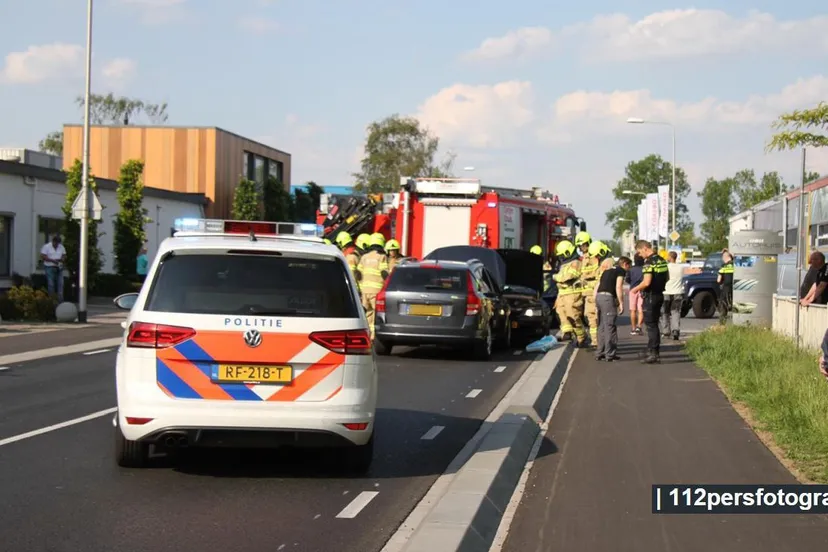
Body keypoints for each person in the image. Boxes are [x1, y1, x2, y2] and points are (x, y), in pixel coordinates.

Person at [629, 240, 669, 364]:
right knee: (654, 324)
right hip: (659, 295)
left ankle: (653, 354)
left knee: (651, 326)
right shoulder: (662, 260)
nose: (640, 255)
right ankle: (651, 349)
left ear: (645, 248)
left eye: (640, 252)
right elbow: (667, 278)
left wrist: (635, 289)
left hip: (650, 296)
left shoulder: (649, 263)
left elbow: (646, 282)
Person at [595, 255, 632, 362]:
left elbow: (597, 286)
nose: (628, 270)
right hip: (607, 299)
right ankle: (610, 354)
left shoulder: (607, 271)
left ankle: (600, 352)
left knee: (601, 326)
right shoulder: (620, 271)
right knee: (610, 326)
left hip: (599, 297)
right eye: (628, 267)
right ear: (625, 264)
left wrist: (595, 303)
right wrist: (621, 303)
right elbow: (618, 287)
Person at [553, 240, 586, 347]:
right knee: (560, 312)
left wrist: (555, 277)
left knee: (572, 315)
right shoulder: (564, 264)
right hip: (562, 294)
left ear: (567, 253)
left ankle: (581, 336)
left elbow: (568, 277)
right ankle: (567, 332)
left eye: (562, 255)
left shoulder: (575, 263)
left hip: (572, 294)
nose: (561, 257)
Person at [357, 233, 390, 340]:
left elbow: (358, 273)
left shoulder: (364, 257)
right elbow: (384, 273)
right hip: (376, 291)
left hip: (364, 290)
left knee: (367, 314)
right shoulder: (382, 257)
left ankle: (365, 335)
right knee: (377, 314)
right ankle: (374, 337)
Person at [579, 238, 601, 347]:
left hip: (591, 292)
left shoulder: (592, 257)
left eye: (582, 244)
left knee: (593, 318)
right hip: (586, 293)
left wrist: (585, 278)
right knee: (589, 317)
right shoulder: (583, 258)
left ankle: (596, 342)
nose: (580, 247)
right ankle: (595, 341)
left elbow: (596, 274)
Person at [661, 251, 685, 340]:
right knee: (676, 312)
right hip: (678, 292)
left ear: (670, 257)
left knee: (665, 312)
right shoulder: (681, 267)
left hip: (666, 292)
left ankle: (666, 331)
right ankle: (676, 330)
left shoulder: (666, 267)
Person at [40, 234, 67, 303]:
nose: (57, 245)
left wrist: (62, 259)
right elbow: (43, 256)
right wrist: (52, 260)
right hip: (49, 267)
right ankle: (51, 300)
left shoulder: (61, 247)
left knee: (60, 284)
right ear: (53, 241)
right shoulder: (46, 247)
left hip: (59, 267)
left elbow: (64, 255)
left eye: (58, 243)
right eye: (56, 243)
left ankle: (60, 301)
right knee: (51, 284)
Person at [625, 253, 645, 335]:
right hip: (642, 289)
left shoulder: (631, 270)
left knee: (633, 310)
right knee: (641, 310)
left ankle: (633, 328)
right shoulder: (645, 269)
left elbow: (627, 279)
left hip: (632, 290)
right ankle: (639, 326)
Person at [717, 251, 735, 324]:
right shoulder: (736, 265)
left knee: (724, 305)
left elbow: (718, 280)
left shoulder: (724, 266)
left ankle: (722, 324)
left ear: (725, 257)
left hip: (726, 289)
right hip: (735, 288)